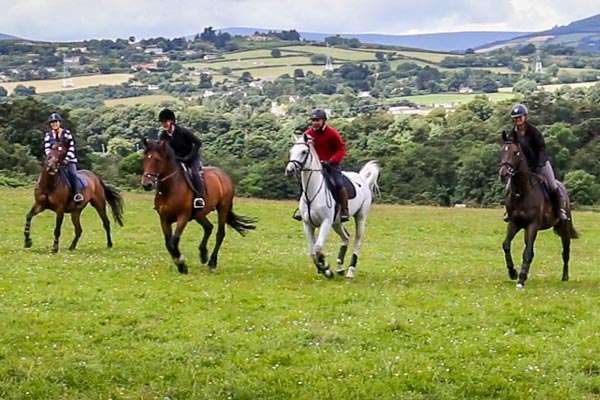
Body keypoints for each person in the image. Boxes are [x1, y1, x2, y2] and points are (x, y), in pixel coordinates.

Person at [509, 103, 568, 221]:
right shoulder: (513, 133)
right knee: (509, 187)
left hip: (541, 163)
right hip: (524, 167)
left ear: (525, 117)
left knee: (552, 185)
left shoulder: (533, 132)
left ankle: (560, 210)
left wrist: (539, 165)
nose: (518, 120)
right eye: (516, 118)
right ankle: (509, 211)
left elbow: (542, 149)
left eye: (520, 117)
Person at [294, 109, 349, 222]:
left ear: (323, 121)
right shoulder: (308, 134)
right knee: (305, 184)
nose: (314, 123)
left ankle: (344, 210)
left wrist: (332, 161)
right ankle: (301, 209)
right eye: (313, 120)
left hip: (331, 165)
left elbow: (341, 149)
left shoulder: (332, 133)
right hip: (315, 166)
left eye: (317, 120)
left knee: (339, 184)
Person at [158, 108, 205, 209]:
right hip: (176, 160)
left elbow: (198, 143)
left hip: (191, 157)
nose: (164, 124)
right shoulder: (163, 136)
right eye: (162, 122)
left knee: (194, 173)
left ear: (171, 121)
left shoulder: (183, 132)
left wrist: (189, 157)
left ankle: (199, 198)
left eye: (166, 121)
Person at [43, 113, 83, 202]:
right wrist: (51, 158)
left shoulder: (66, 133)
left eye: (55, 122)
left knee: (72, 174)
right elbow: (47, 148)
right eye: (52, 122)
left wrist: (67, 159)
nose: (54, 124)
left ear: (59, 123)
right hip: (54, 161)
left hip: (68, 160)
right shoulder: (48, 135)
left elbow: (71, 147)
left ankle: (77, 194)